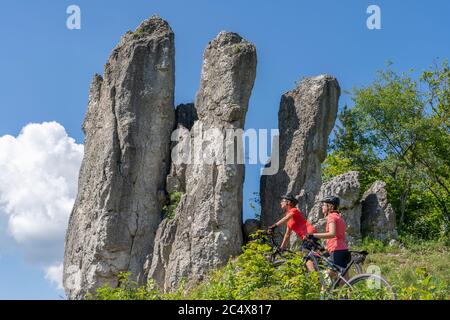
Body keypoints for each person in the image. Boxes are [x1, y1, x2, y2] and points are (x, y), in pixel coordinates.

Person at [268, 193, 317, 272]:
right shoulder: (289, 220)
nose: (281, 203)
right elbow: (287, 235)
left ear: (288, 203)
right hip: (307, 236)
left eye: (282, 201)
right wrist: (281, 248)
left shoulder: (293, 210)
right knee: (313, 255)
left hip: (309, 234)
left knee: (305, 256)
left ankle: (315, 277)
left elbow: (286, 217)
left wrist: (274, 226)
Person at [312, 195, 351, 279]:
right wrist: (326, 247)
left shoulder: (331, 217)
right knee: (344, 280)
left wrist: (314, 235)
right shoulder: (339, 217)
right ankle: (351, 291)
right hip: (343, 249)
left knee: (327, 278)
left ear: (330, 206)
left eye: (324, 205)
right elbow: (339, 236)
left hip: (336, 250)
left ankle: (323, 292)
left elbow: (332, 234)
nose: (322, 207)